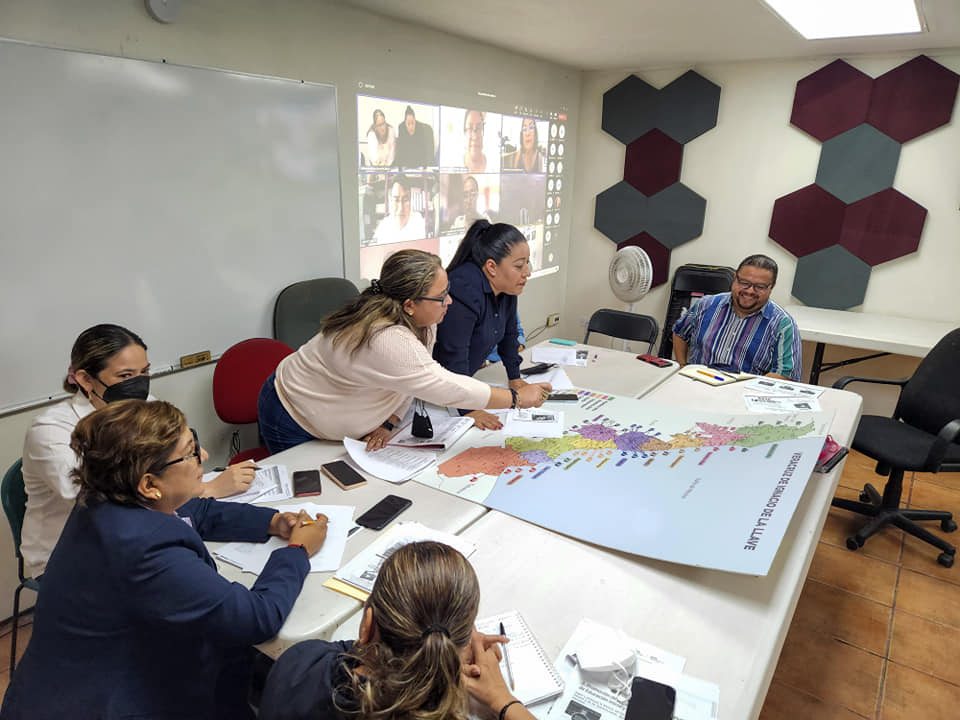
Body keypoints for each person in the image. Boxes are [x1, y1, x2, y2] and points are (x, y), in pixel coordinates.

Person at [0, 399, 329, 720]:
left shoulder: (104, 497)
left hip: (73, 680)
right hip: (111, 703)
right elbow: (256, 618)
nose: (203, 456)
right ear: (149, 484)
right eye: (189, 453)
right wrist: (297, 551)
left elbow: (195, 511)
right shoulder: (144, 549)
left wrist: (272, 522)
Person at [20, 323, 257, 577]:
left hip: (141, 531)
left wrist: (189, 461)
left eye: (144, 372)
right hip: (70, 558)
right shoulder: (50, 431)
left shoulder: (143, 405)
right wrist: (205, 489)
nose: (138, 385)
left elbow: (183, 458)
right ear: (86, 380)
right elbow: (97, 503)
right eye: (125, 376)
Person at [258, 249, 550, 454]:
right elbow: (440, 384)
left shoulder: (424, 319)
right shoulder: (382, 336)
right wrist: (515, 399)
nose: (449, 301)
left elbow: (410, 379)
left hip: (341, 417)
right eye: (441, 296)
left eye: (447, 291)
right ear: (409, 304)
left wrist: (389, 421)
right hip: (294, 413)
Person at [259, 541, 538, 720]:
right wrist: (503, 700)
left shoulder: (300, 664)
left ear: (367, 624)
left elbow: (352, 653)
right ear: (461, 644)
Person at [434, 221, 533, 430]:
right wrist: (467, 409)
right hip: (436, 396)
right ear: (491, 267)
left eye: (527, 264)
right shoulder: (463, 289)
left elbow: (509, 335)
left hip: (463, 385)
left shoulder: (506, 288)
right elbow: (454, 356)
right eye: (519, 266)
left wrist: (514, 377)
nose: (527, 272)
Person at [672, 254, 802, 381]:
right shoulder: (706, 304)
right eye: (744, 283)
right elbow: (679, 333)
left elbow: (785, 374)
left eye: (760, 287)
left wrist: (743, 388)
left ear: (771, 287)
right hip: (697, 384)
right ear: (735, 278)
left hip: (745, 391)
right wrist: (682, 366)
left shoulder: (783, 325)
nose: (750, 291)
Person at [372, 174, 427, 244]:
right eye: (396, 200)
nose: (401, 208)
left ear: (411, 200)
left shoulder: (419, 222)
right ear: (390, 201)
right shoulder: (384, 225)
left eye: (405, 200)